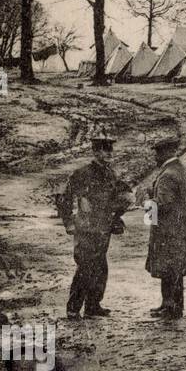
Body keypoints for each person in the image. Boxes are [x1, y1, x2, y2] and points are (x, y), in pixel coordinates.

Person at [59, 128, 129, 319]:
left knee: (100, 267)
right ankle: (73, 308)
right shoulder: (82, 173)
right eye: (104, 149)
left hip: (103, 229)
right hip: (86, 228)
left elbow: (120, 196)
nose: (109, 153)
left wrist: (118, 213)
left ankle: (93, 305)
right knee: (85, 268)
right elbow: (64, 198)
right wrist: (69, 223)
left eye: (110, 149)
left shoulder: (111, 175)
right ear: (95, 151)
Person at [144, 137, 186, 320]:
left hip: (166, 232)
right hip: (182, 230)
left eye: (157, 153)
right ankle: (174, 306)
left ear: (165, 153)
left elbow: (163, 204)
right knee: (176, 270)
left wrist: (147, 208)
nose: (155, 158)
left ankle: (169, 307)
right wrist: (184, 216)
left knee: (167, 269)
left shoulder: (167, 174)